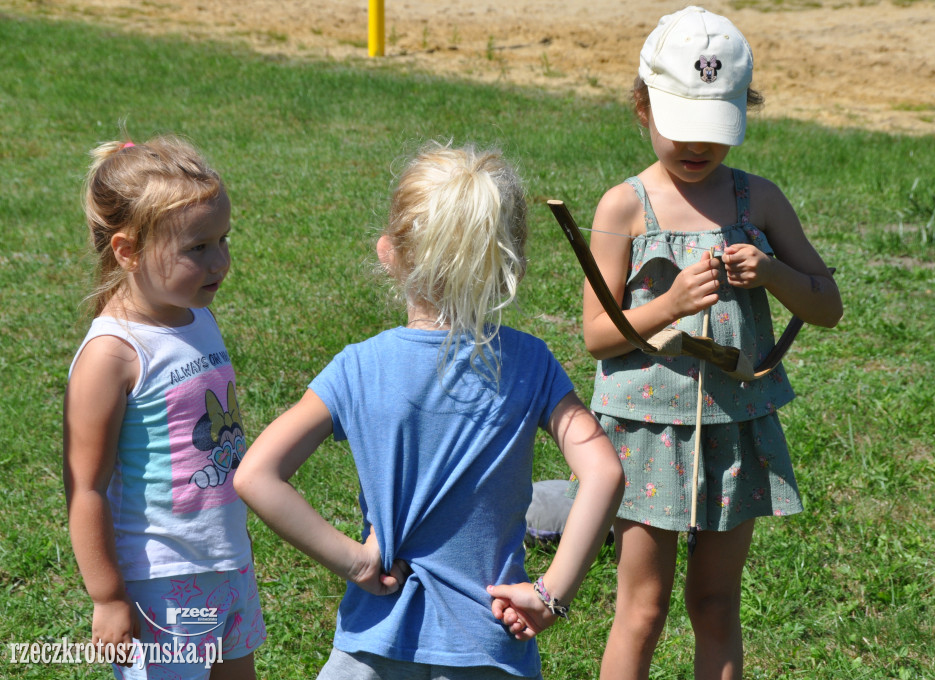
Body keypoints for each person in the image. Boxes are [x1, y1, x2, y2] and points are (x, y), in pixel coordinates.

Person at [233, 141, 624, 680]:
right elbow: (603, 471)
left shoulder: (357, 367)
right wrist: (551, 594)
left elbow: (256, 475)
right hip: (488, 646)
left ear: (389, 251)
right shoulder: (531, 363)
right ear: (509, 259)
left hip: (371, 646)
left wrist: (355, 560)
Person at [578, 7, 844, 680]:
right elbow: (597, 337)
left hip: (734, 429)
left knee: (718, 604)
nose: (696, 149)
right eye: (680, 130)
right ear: (641, 105)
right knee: (641, 608)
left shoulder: (761, 201)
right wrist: (668, 305)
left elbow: (827, 306)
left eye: (713, 133)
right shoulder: (624, 206)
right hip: (646, 429)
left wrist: (775, 271)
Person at [63, 134, 264, 679]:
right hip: (162, 578)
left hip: (227, 561)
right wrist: (107, 596)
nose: (219, 260)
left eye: (223, 240)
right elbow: (86, 486)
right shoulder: (113, 355)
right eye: (197, 248)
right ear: (127, 251)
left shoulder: (196, 314)